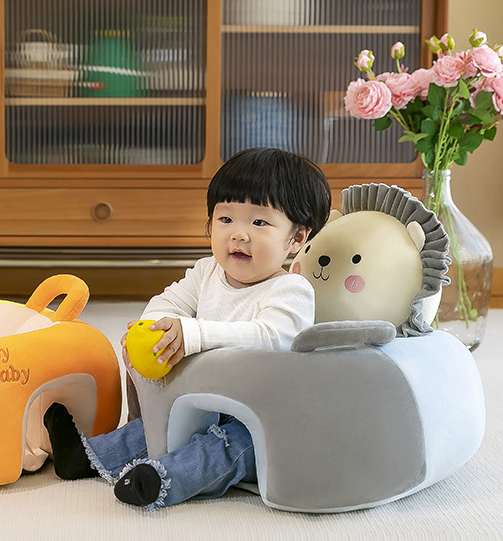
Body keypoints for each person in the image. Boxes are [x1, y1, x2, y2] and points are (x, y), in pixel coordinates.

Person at [43, 147, 332, 510]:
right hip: (201, 402)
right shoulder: (206, 272)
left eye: (259, 223)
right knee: (155, 428)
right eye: (226, 218)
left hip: (258, 418)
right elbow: (169, 302)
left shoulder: (290, 289)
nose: (239, 235)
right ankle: (85, 457)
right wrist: (154, 327)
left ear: (297, 239)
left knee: (224, 446)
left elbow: (273, 338)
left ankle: (162, 480)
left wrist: (194, 334)